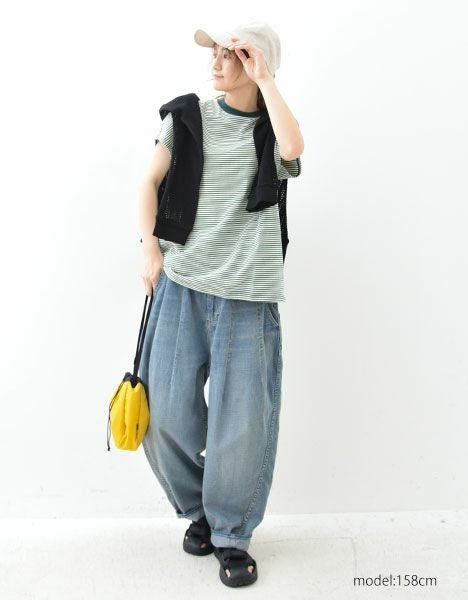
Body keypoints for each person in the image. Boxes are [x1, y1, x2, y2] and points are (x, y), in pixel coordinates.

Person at [137, 22, 304, 588]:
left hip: (249, 295)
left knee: (243, 423)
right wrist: (149, 249)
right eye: (214, 53)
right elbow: (149, 182)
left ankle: (232, 533)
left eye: (230, 55)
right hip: (182, 283)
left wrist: (266, 80)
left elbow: (294, 149)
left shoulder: (272, 129)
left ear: (256, 64)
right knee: (163, 414)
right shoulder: (188, 117)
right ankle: (201, 511)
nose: (215, 62)